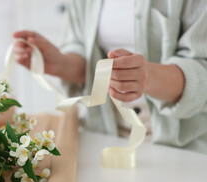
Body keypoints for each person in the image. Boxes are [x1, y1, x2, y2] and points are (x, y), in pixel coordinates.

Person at [12, 0, 207, 154]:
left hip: (183, 145)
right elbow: (85, 54)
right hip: (104, 133)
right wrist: (61, 63)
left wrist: (147, 77)